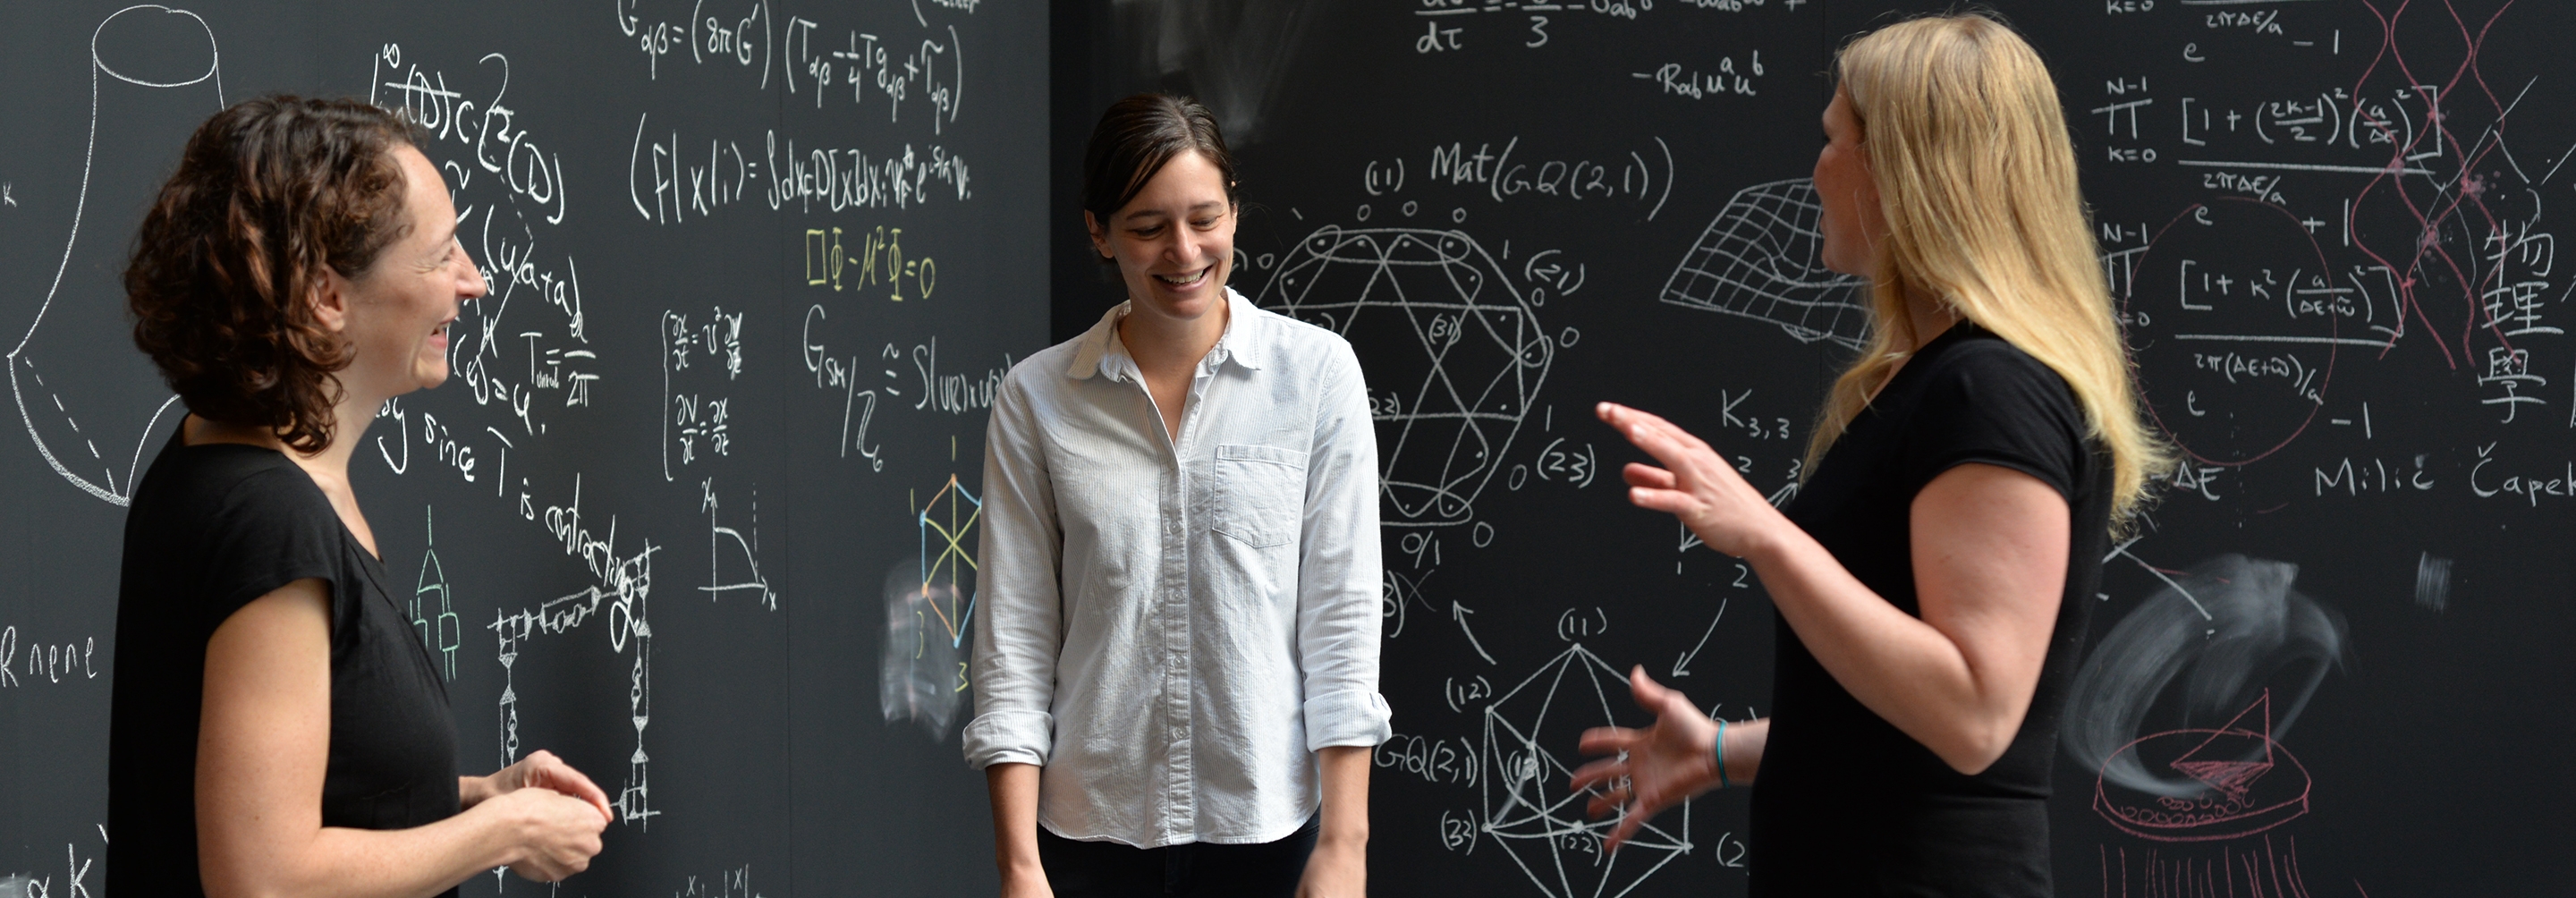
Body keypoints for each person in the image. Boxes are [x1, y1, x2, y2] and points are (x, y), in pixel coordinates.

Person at [1569, 14, 2175, 896]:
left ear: (1902, 170)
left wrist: (1763, 534)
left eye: (1833, 140)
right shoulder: (1942, 380)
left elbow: (1973, 712)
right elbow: (1894, 725)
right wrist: (1718, 749)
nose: (1815, 171)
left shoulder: (1990, 390)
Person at [110, 96, 614, 898]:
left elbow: (304, 791)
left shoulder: (230, 467)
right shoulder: (269, 526)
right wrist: (500, 833)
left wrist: (481, 798)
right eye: (439, 254)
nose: (472, 282)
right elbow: (262, 877)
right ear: (327, 296)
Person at [965, 94, 1391, 898]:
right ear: (1098, 232)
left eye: (1205, 218)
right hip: (1090, 839)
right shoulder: (1037, 399)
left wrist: (1345, 845)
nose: (1184, 251)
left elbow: (1341, 624)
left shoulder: (1317, 378)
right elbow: (1014, 646)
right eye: (1148, 226)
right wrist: (1018, 866)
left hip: (1271, 834)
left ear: (1235, 211)